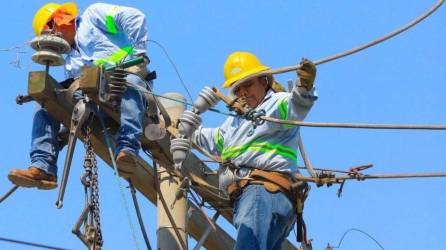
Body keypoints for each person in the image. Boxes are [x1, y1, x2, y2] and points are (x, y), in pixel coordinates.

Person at [8, 2, 153, 189]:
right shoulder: (70, 61)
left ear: (60, 19)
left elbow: (135, 17)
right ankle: (43, 166)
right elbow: (74, 102)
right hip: (97, 103)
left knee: (129, 83)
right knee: (47, 101)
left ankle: (127, 149)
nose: (52, 38)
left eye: (50, 31)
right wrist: (62, 129)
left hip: (122, 84)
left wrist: (139, 52)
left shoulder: (93, 16)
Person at [192, 51, 317, 249]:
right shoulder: (235, 121)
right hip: (255, 198)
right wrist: (184, 126)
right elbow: (212, 139)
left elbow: (296, 107)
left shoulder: (275, 103)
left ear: (264, 80)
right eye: (238, 88)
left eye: (248, 84)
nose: (243, 92)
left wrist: (304, 86)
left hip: (263, 191)